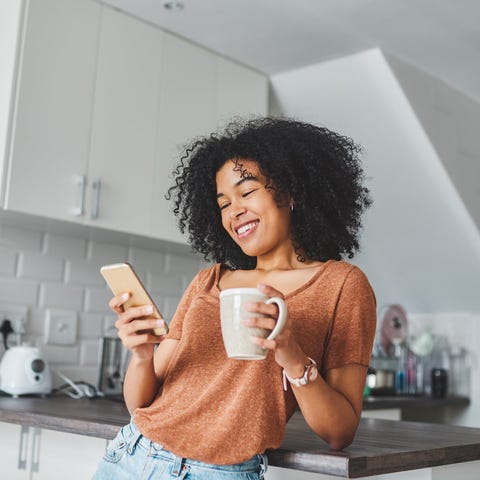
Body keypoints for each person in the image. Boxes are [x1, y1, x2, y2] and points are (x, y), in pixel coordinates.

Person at [92, 117, 377, 480]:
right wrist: (141, 355)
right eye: (223, 203)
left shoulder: (342, 286)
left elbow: (340, 432)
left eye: (246, 192)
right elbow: (140, 405)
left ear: (290, 192)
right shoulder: (208, 281)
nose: (234, 211)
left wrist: (291, 356)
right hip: (131, 455)